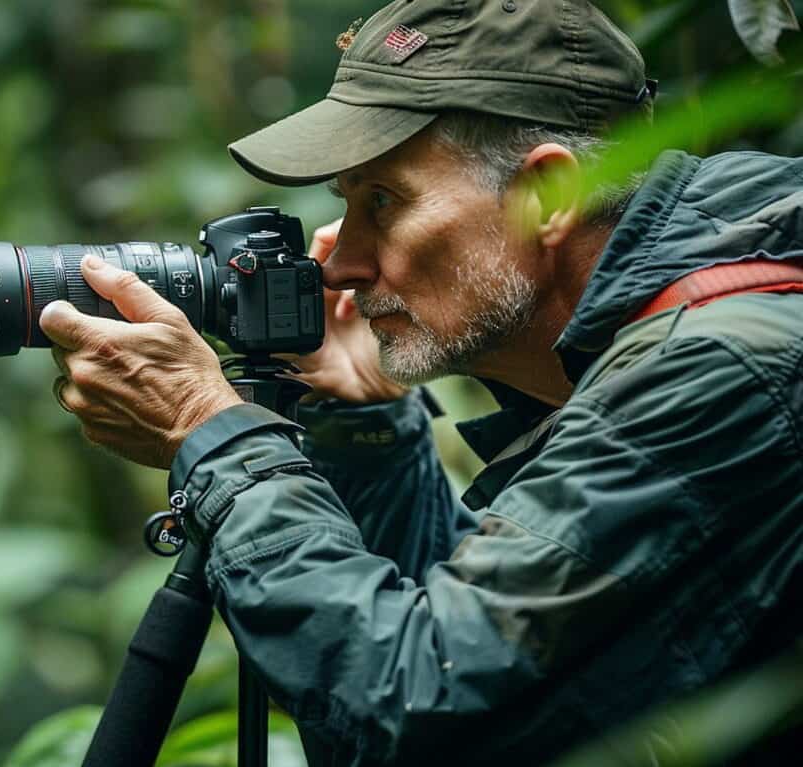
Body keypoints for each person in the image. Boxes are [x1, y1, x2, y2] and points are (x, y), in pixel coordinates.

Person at [40, 0, 803, 763]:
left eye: (383, 201)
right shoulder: (664, 339)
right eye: (349, 203)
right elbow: (511, 656)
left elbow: (420, 711)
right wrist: (367, 432)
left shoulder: (723, 364)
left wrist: (213, 435)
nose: (341, 262)